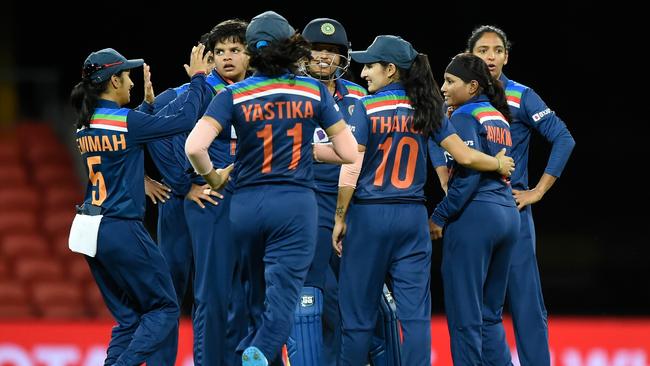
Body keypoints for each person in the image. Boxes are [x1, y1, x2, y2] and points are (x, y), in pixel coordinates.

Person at [326, 36, 515, 366]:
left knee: (356, 320)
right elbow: (465, 156)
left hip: (370, 217)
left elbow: (351, 167)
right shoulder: (428, 109)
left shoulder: (364, 107)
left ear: (390, 70)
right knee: (414, 320)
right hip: (412, 219)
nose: (364, 72)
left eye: (370, 66)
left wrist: (340, 217)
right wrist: (497, 164)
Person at [185, 11, 358, 366]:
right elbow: (347, 152)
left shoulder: (233, 94)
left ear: (250, 51)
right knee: (283, 300)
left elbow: (194, 148)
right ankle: (258, 354)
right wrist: (304, 149)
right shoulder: (312, 90)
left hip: (245, 206)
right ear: (290, 46)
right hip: (295, 205)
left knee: (254, 294)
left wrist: (215, 177)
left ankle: (253, 356)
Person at [68, 46, 213, 366]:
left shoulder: (84, 124)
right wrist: (200, 78)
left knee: (130, 318)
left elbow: (123, 143)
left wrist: (147, 105)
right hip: (122, 227)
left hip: (90, 229)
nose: (132, 84)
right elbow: (185, 118)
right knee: (164, 308)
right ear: (113, 81)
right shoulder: (126, 122)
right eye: (127, 76)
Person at [144, 19, 250, 366]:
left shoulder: (257, 94)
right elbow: (145, 133)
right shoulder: (187, 93)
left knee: (236, 294)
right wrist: (180, 184)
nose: (227, 58)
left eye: (235, 50)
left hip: (236, 202)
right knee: (174, 293)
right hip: (188, 202)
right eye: (219, 52)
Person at [468, 25, 575, 366]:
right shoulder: (458, 95)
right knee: (478, 308)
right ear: (471, 55)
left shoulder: (521, 95)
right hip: (471, 214)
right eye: (483, 50)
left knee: (527, 305)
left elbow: (563, 138)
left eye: (498, 50)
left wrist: (537, 192)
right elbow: (437, 142)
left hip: (513, 211)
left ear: (506, 56)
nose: (490, 56)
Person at [429, 52, 520, 365]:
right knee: (489, 315)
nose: (443, 87)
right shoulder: (497, 116)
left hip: (476, 218)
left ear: (472, 86)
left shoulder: (464, 116)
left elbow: (467, 177)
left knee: (465, 316)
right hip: (507, 215)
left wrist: (439, 215)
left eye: (450, 81)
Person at [292, 17, 366, 366]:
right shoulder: (289, 92)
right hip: (307, 201)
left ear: (344, 58)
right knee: (319, 302)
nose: (324, 57)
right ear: (303, 54)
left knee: (354, 302)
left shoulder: (360, 97)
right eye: (317, 49)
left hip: (356, 205)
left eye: (333, 51)